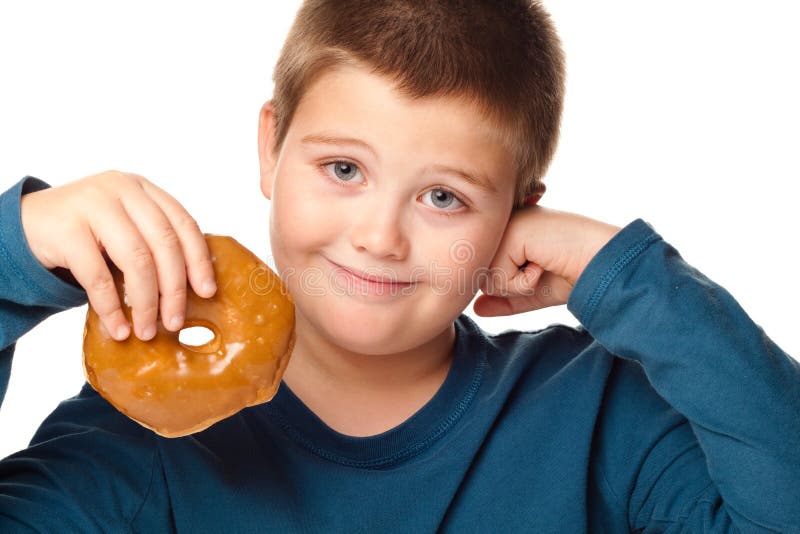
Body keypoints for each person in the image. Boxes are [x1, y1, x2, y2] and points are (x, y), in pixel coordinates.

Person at [1, 0, 798, 531]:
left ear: (519, 214)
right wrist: (11, 256)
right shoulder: (140, 447)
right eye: (343, 170)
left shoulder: (597, 415)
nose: (380, 237)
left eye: (445, 197)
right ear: (270, 148)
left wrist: (623, 275)